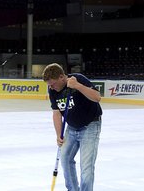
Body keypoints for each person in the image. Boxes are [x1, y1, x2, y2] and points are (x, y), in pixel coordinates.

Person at [43, 63, 102, 191]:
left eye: (52, 84)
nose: (51, 88)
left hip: (90, 125)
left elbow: (97, 97)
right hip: (72, 128)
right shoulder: (52, 90)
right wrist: (58, 135)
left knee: (86, 167)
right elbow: (57, 113)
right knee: (65, 159)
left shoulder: (78, 79)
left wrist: (78, 86)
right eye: (49, 85)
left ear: (61, 77)